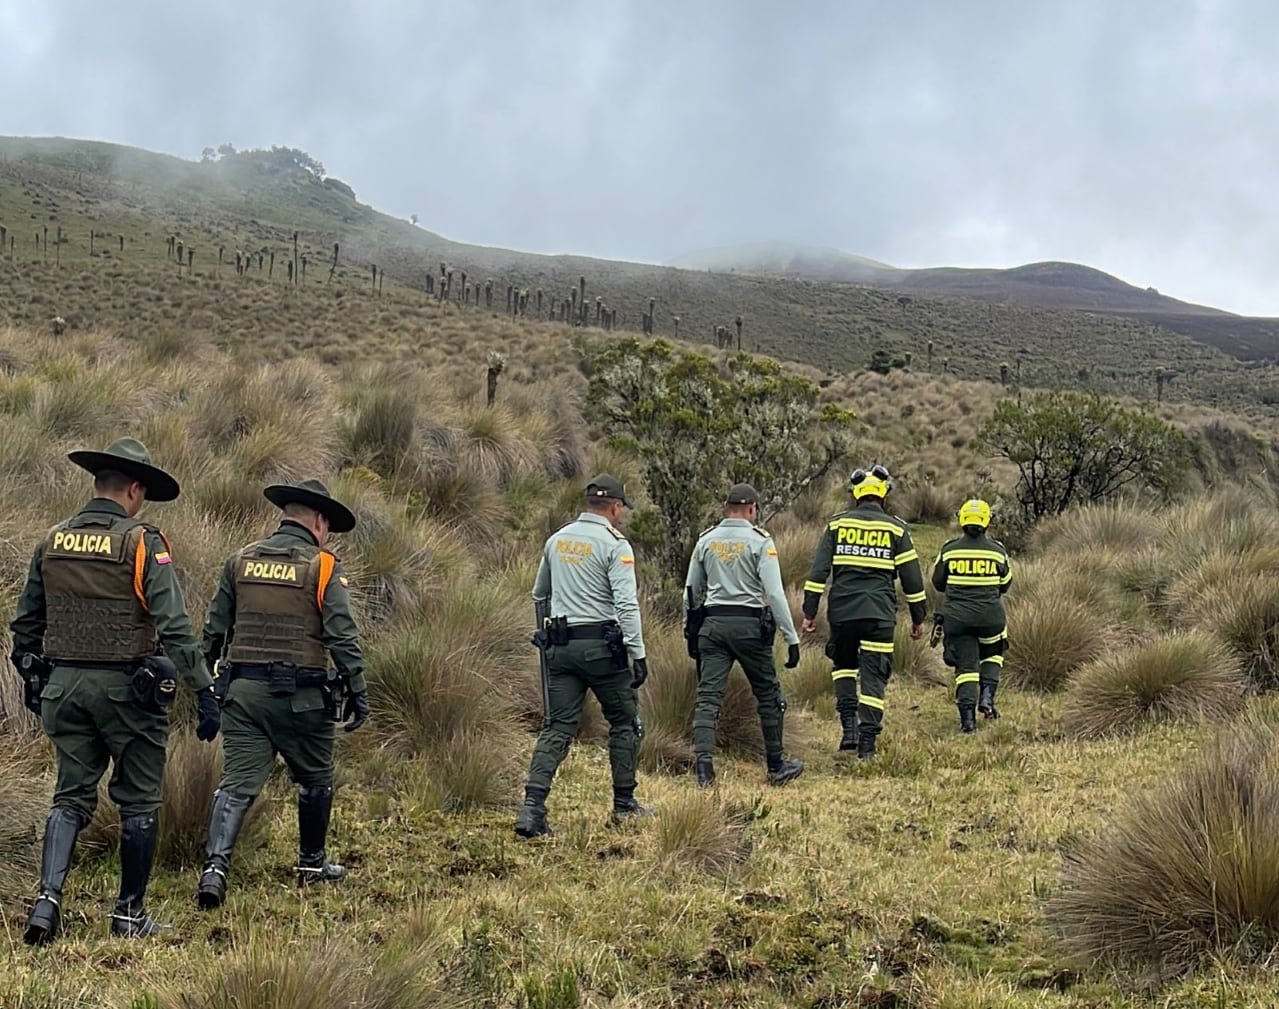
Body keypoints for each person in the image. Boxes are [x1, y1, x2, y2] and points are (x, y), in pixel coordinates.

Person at [10, 438, 219, 945]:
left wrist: (36, 680)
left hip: (64, 690)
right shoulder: (143, 541)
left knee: (70, 797)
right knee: (139, 801)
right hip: (128, 692)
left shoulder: (52, 540)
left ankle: (47, 902)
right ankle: (128, 915)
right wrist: (205, 689)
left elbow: (24, 629)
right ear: (132, 489)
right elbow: (174, 626)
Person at [196, 479, 369, 909]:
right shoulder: (323, 565)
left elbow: (214, 632)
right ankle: (311, 864)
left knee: (236, 785)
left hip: (244, 696)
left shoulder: (240, 561)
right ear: (319, 521)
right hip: (303, 699)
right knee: (315, 779)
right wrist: (357, 686)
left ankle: (215, 869)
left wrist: (204, 686)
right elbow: (341, 635)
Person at [516, 474, 649, 838]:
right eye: (621, 510)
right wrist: (637, 652)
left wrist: (548, 635)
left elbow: (539, 593)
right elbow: (626, 604)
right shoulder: (615, 545)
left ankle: (532, 810)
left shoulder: (557, 540)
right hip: (603, 650)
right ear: (615, 507)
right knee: (625, 722)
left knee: (557, 726)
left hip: (560, 647)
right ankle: (624, 804)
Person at [801, 465, 927, 759]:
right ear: (883, 494)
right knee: (874, 674)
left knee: (844, 666)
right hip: (879, 615)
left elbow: (818, 572)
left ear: (856, 494)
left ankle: (848, 730)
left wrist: (809, 611)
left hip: (842, 613)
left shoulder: (836, 526)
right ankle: (867, 743)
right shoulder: (897, 528)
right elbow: (912, 579)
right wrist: (919, 618)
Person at [684, 483, 804, 788]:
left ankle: (704, 770)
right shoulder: (760, 542)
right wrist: (791, 637)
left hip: (712, 626)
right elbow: (775, 594)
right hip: (750, 627)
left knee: (708, 698)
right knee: (768, 695)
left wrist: (690, 629)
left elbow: (691, 591)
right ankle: (776, 766)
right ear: (752, 509)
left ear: (726, 508)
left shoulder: (706, 541)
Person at [931, 499, 1012, 733]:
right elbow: (1005, 585)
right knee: (993, 655)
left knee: (966, 668)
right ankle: (987, 697)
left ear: (962, 521)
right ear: (987, 522)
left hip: (957, 620)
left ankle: (967, 721)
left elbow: (937, 583)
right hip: (991, 619)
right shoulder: (998, 551)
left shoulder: (949, 550)